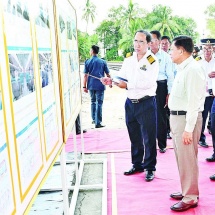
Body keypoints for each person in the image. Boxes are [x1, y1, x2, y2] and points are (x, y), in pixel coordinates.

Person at [101, 30, 159, 182]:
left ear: (148, 44)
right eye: (135, 41)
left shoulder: (152, 60)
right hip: (130, 103)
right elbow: (121, 75)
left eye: (141, 42)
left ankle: (150, 168)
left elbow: (147, 83)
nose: (137, 45)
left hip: (146, 102)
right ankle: (137, 164)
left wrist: (126, 85)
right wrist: (111, 80)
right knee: (134, 136)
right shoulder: (129, 59)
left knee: (149, 138)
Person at [168, 36, 206, 212]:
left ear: (181, 50)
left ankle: (190, 197)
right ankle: (187, 190)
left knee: (188, 159)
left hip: (186, 120)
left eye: (172, 50)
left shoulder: (192, 69)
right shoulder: (183, 68)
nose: (170, 53)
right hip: (178, 118)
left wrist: (188, 129)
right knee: (183, 159)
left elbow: (193, 102)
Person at [150, 30, 175, 153]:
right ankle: (149, 143)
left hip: (161, 86)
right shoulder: (145, 55)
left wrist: (169, 93)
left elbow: (170, 76)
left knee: (161, 116)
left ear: (159, 42)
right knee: (147, 115)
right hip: (148, 86)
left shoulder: (165, 57)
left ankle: (162, 143)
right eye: (149, 39)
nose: (150, 42)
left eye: (153, 39)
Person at [83, 45, 111, 128]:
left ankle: (94, 119)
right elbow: (108, 74)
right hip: (100, 85)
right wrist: (110, 83)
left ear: (92, 51)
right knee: (99, 103)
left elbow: (85, 75)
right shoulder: (102, 62)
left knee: (93, 101)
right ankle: (98, 122)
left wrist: (84, 86)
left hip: (91, 85)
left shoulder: (87, 61)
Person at [197, 39, 215, 148]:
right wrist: (207, 75)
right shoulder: (198, 62)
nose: (207, 51)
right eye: (205, 48)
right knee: (202, 118)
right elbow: (196, 78)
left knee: (213, 120)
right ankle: (201, 138)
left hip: (214, 95)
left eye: (209, 48)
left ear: (213, 49)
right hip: (203, 94)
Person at [160, 35, 174, 140]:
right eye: (162, 43)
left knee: (171, 110)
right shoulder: (156, 56)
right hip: (163, 86)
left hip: (173, 85)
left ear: (169, 45)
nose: (164, 45)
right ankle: (165, 131)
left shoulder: (173, 55)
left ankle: (170, 130)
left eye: (166, 43)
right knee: (163, 111)